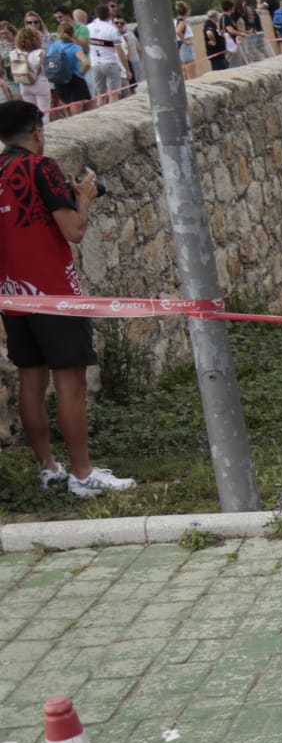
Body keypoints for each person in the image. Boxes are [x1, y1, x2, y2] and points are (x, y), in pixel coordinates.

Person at [0, 101, 136, 498]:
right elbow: (74, 231)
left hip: (12, 293)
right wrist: (85, 198)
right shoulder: (41, 168)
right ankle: (82, 473)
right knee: (70, 384)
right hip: (55, 293)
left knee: (30, 378)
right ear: (38, 131)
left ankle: (48, 467)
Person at [84, 2, 127, 103]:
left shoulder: (88, 27)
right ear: (109, 14)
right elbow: (120, 51)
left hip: (95, 64)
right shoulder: (112, 29)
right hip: (110, 62)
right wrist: (126, 69)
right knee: (113, 94)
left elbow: (85, 45)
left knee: (100, 94)